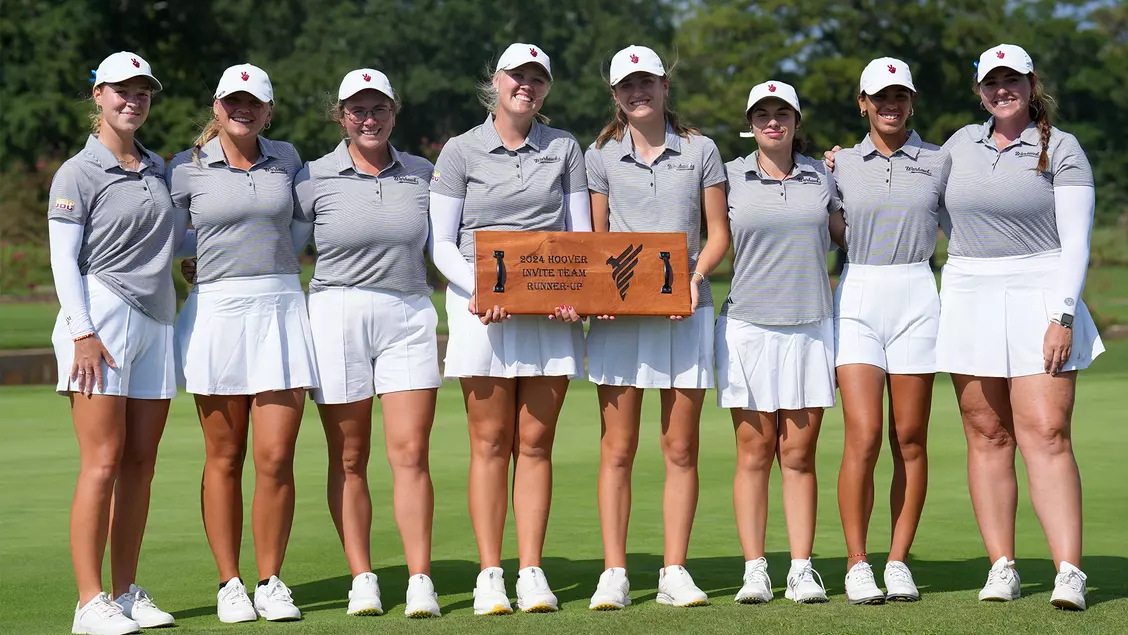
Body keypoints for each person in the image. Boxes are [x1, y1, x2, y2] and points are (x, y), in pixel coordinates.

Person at [428, 42, 591, 615]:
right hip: (483, 311)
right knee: (491, 444)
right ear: (495, 81)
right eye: (517, 77)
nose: (527, 86)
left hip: (550, 312)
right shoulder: (460, 149)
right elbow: (442, 245)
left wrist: (578, 293)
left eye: (537, 79)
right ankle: (491, 573)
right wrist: (483, 291)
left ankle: (531, 571)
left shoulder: (565, 147)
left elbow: (580, 237)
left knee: (536, 444)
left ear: (546, 88)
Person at [938, 43, 1103, 610]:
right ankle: (1002, 565)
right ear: (978, 88)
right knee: (987, 434)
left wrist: (1062, 315)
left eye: (1012, 80)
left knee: (1048, 433)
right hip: (969, 291)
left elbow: (1076, 241)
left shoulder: (1060, 147)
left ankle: (1068, 571)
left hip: (1040, 291)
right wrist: (836, 164)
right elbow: (907, 185)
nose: (1001, 90)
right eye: (992, 81)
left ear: (1032, 84)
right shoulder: (959, 144)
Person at [167, 63, 316, 623]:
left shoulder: (289, 159)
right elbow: (175, 236)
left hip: (278, 306)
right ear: (217, 106)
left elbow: (298, 229)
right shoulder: (187, 168)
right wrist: (192, 261)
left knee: (276, 456)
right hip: (218, 311)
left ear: (269, 110)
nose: (243, 109)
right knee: (224, 456)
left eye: (254, 102)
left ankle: (271, 579)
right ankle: (230, 582)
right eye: (233, 101)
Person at [292, 68, 442, 618]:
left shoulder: (424, 174)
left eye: (379, 108)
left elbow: (455, 240)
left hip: (407, 312)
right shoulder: (311, 178)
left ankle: (420, 578)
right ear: (341, 116)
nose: (369, 118)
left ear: (394, 112)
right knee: (350, 456)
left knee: (411, 453)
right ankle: (362, 577)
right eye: (357, 109)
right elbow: (277, 245)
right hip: (336, 312)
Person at [583, 45, 729, 610]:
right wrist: (598, 293)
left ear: (665, 86)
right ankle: (615, 571)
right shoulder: (600, 155)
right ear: (615, 95)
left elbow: (717, 232)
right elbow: (598, 241)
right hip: (620, 318)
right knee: (617, 449)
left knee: (680, 447)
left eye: (647, 82)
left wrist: (693, 277)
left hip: (687, 308)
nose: (637, 92)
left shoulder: (701, 150)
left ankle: (673, 569)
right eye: (627, 85)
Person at [50, 51, 182, 635]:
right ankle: (89, 601)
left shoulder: (158, 168)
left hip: (156, 321)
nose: (133, 101)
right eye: (121, 91)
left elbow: (174, 242)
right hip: (99, 320)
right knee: (101, 463)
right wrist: (81, 331)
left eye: (143, 92)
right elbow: (61, 260)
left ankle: (125, 591)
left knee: (140, 464)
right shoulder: (76, 171)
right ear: (98, 95)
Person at [828, 58, 950, 604]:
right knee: (864, 435)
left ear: (912, 100)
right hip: (857, 295)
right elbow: (825, 227)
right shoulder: (838, 165)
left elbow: (967, 226)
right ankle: (858, 563)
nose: (891, 105)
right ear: (863, 102)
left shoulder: (940, 161)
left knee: (910, 438)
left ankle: (897, 560)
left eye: (900, 95)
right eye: (881, 97)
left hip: (918, 295)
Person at [717, 80, 837, 605]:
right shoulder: (727, 178)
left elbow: (850, 228)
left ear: (796, 119)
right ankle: (755, 568)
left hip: (810, 323)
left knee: (800, 454)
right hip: (747, 326)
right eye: (762, 113)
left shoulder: (825, 176)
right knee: (754, 451)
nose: (772, 121)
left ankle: (802, 567)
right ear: (750, 121)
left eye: (781, 112)